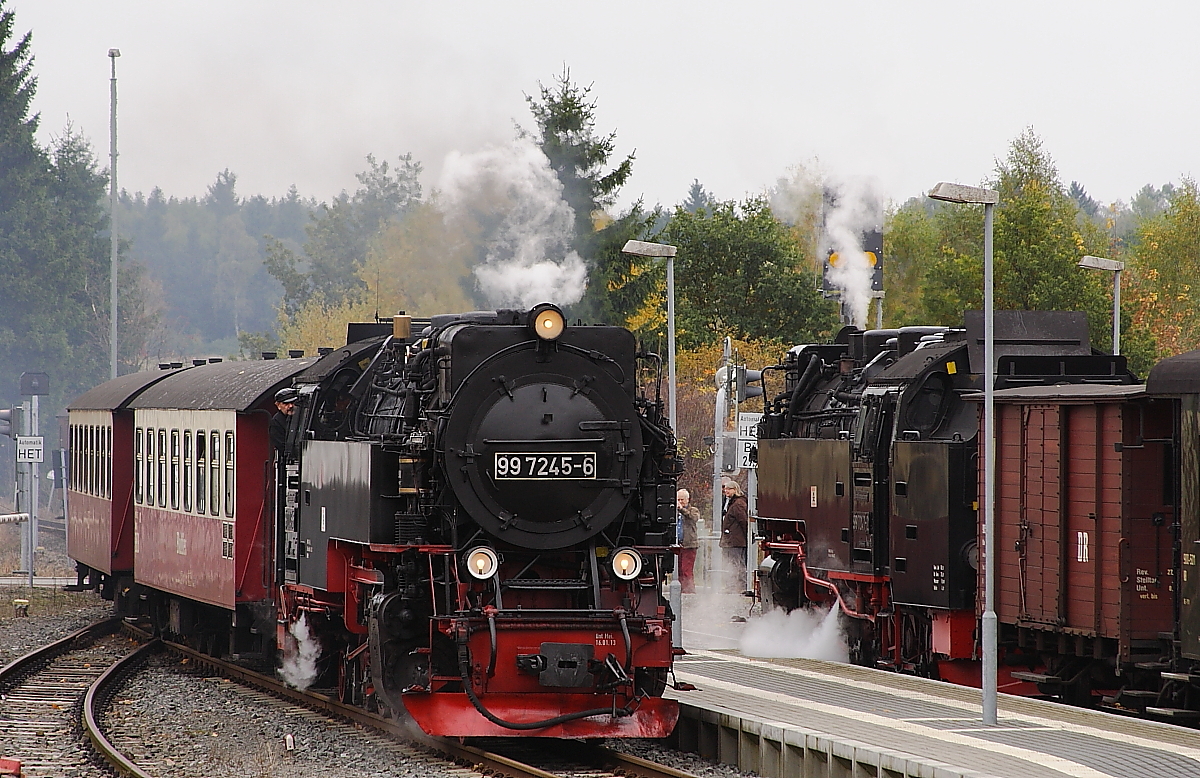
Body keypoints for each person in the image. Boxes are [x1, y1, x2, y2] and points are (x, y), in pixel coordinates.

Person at [719, 476, 748, 593]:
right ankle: (733, 586)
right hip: (731, 539)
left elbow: (743, 521)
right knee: (732, 563)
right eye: (725, 489)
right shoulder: (732, 503)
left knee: (736, 563)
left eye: (728, 489)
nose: (726, 491)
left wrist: (746, 536)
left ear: (735, 489)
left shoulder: (738, 504)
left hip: (736, 540)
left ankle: (739, 586)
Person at [676, 489, 701, 593]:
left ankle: (689, 590)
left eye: (682, 500)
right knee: (679, 570)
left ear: (687, 499)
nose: (680, 502)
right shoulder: (674, 511)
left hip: (689, 544)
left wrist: (682, 509)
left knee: (686, 569)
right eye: (678, 500)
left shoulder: (693, 510)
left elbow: (693, 518)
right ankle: (681, 589)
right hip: (678, 544)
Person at [270, 387, 300, 454]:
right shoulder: (276, 422)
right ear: (278, 405)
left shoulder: (302, 416)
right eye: (286, 404)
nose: (290, 406)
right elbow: (281, 446)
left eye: (292, 402)